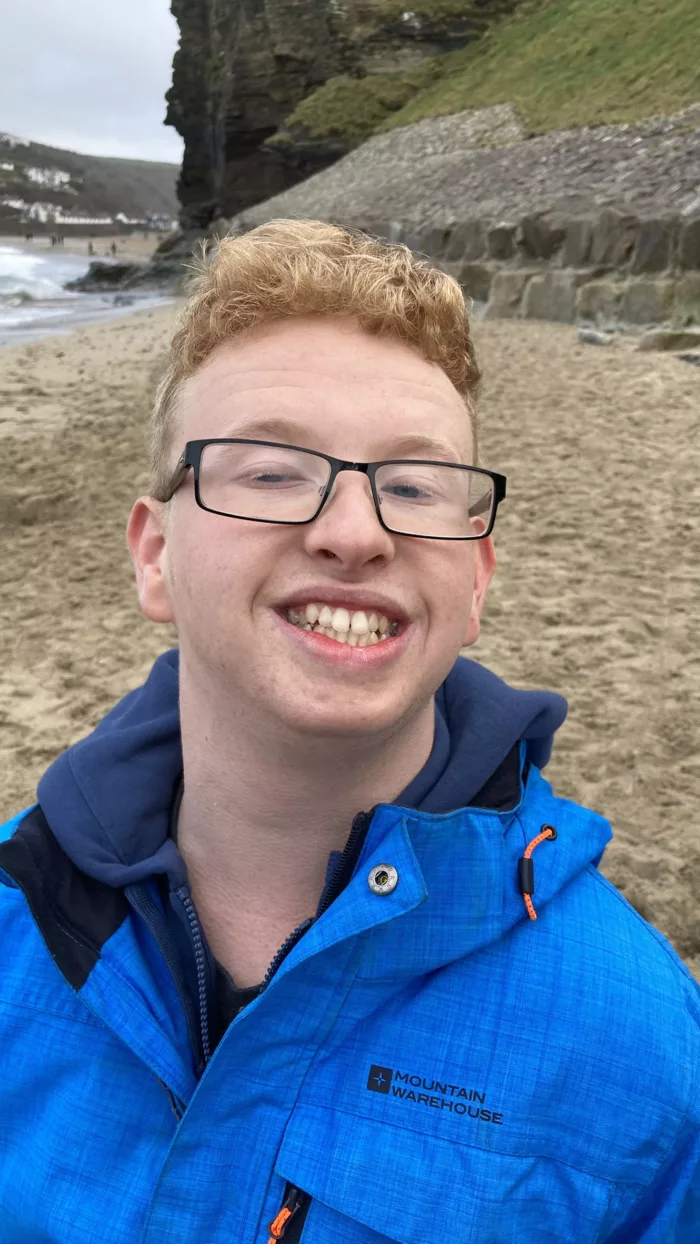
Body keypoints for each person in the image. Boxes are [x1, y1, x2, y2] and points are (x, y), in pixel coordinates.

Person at [0, 218, 697, 1243]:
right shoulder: (16, 926)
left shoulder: (639, 1047)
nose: (354, 532)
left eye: (413, 485)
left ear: (475, 580)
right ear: (154, 555)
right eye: (272, 469)